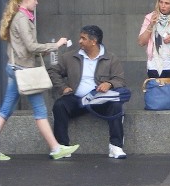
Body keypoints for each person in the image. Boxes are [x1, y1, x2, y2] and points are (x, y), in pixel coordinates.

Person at [0, 0, 78, 161]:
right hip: (23, 71)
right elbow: (31, 47)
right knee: (40, 110)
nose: (37, 2)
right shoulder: (22, 19)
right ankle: (56, 148)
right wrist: (55, 45)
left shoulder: (21, 17)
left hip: (17, 69)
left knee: (6, 110)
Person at [49, 25, 128, 159]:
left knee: (116, 105)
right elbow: (52, 71)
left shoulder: (111, 58)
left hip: (99, 99)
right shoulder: (70, 57)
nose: (79, 41)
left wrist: (109, 84)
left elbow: (120, 79)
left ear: (93, 41)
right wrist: (62, 87)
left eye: (83, 38)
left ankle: (116, 146)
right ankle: (62, 146)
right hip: (77, 99)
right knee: (60, 105)